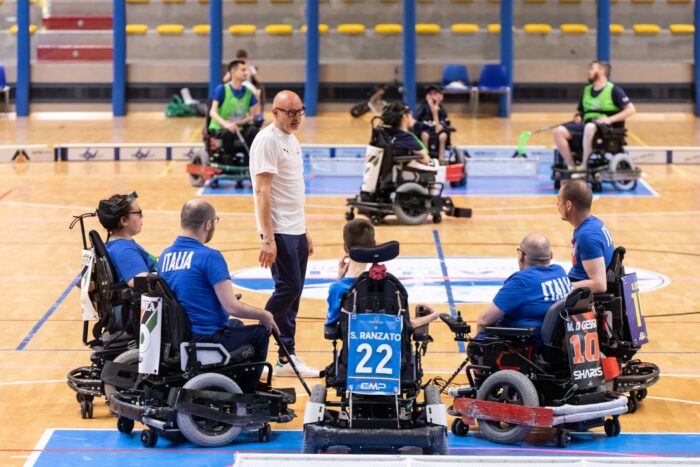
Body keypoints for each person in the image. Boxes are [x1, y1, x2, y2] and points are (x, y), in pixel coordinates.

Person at [158, 199, 279, 390]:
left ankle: (231, 379)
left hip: (180, 336)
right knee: (260, 333)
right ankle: (248, 390)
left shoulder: (165, 256)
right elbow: (232, 306)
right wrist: (264, 315)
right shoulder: (209, 256)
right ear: (208, 224)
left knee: (236, 325)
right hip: (205, 338)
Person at [249, 90, 319, 378]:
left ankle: (285, 357)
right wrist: (268, 238)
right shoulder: (267, 141)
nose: (296, 117)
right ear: (274, 112)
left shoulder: (292, 140)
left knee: (294, 293)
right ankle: (254, 344)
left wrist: (305, 231)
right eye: (290, 112)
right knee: (287, 290)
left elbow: (292, 191)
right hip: (279, 231)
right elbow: (262, 192)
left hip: (296, 229)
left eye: (299, 111)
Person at [325, 219, 440, 329]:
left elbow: (332, 322)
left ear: (345, 247)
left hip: (352, 349)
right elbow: (407, 325)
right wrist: (434, 315)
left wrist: (339, 279)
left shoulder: (337, 289)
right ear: (374, 245)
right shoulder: (391, 286)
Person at [475, 233, 572, 348]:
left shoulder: (522, 281)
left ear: (521, 256)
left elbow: (484, 321)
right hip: (558, 343)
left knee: (484, 333)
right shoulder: (560, 272)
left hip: (531, 343)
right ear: (551, 255)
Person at [552, 60, 636, 171]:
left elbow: (631, 110)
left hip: (605, 129)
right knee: (558, 131)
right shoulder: (586, 90)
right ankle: (571, 166)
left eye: (592, 69)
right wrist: (578, 116)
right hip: (587, 126)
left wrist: (609, 119)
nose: (588, 71)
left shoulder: (614, 90)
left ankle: (584, 165)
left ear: (601, 71)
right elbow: (581, 111)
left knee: (590, 126)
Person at [557, 179, 614, 294]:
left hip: (579, 297)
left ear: (568, 205)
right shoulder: (592, 224)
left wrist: (562, 288)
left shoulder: (587, 235)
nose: (557, 205)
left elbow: (600, 285)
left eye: (559, 200)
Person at [96, 191, 157, 287]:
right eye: (139, 213)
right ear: (124, 220)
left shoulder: (112, 245)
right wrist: (168, 274)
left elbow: (80, 281)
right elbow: (135, 281)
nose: (142, 216)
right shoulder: (125, 250)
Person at [209, 60, 259, 156]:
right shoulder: (222, 89)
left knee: (253, 130)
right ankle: (228, 159)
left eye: (247, 70)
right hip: (221, 127)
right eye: (243, 70)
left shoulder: (249, 92)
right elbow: (212, 112)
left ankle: (251, 159)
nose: (246, 72)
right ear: (233, 72)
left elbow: (251, 116)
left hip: (238, 127)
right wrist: (226, 124)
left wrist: (236, 123)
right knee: (228, 133)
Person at [413, 85, 449, 161]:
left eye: (435, 93)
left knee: (443, 136)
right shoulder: (423, 107)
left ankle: (441, 159)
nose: (432, 96)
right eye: (430, 94)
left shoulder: (441, 109)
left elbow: (438, 128)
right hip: (426, 130)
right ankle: (426, 157)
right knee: (424, 135)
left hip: (437, 130)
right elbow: (415, 119)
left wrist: (435, 108)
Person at [235, 49, 265, 124]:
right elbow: (225, 78)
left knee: (256, 92)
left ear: (246, 58)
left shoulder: (250, 67)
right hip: (237, 83)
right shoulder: (234, 67)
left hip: (247, 84)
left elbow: (258, 79)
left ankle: (257, 114)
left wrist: (250, 71)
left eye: (243, 59)